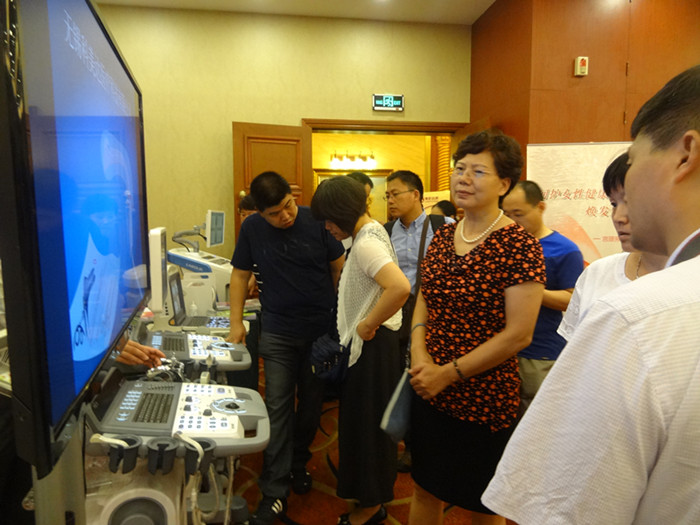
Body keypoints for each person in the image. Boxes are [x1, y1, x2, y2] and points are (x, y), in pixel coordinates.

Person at [482, 65, 700, 524]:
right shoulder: (615, 286)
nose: (621, 210)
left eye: (634, 159)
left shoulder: (639, 318)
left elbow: (566, 510)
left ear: (686, 155)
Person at [407, 129, 546, 525]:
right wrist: (419, 355)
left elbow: (519, 334)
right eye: (460, 168)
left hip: (484, 398)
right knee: (425, 486)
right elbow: (424, 297)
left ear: (504, 184)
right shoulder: (444, 235)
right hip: (428, 387)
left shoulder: (520, 246)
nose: (464, 178)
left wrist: (447, 374)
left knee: (482, 502)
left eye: (478, 171)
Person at [227, 171, 345, 525]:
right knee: (277, 407)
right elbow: (239, 275)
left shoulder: (316, 221)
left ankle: (298, 462)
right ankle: (274, 490)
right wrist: (235, 323)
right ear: (260, 212)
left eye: (289, 206)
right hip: (278, 332)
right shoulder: (252, 229)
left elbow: (338, 268)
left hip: (318, 334)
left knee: (310, 406)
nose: (286, 216)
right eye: (275, 213)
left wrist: (336, 317)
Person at [311, 176, 410, 525]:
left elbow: (400, 287)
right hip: (374, 346)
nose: (327, 227)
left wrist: (367, 323)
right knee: (363, 424)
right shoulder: (371, 232)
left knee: (367, 429)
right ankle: (369, 498)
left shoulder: (366, 243)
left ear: (341, 211)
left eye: (329, 219)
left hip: (373, 346)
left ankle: (370, 507)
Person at [383, 170, 454, 472]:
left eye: (395, 194)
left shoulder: (444, 226)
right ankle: (403, 440)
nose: (390, 200)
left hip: (433, 317)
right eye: (387, 195)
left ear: (415, 195)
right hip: (396, 314)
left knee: (424, 375)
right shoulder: (386, 231)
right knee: (399, 377)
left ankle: (423, 445)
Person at [558, 152, 667, 340]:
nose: (618, 217)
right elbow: (576, 349)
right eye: (614, 204)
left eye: (631, 202)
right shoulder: (597, 273)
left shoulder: (688, 279)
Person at [501, 180, 583, 411]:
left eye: (519, 214)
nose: (512, 221)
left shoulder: (564, 250)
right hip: (500, 350)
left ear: (540, 207)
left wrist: (530, 291)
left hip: (539, 353)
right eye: (507, 214)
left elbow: (571, 301)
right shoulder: (502, 245)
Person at [237, 194, 259, 297]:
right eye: (243, 214)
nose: (245, 219)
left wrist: (253, 278)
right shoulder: (245, 235)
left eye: (250, 214)